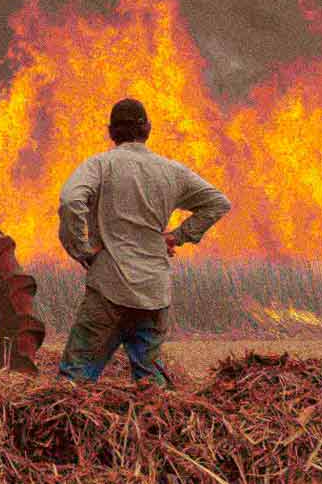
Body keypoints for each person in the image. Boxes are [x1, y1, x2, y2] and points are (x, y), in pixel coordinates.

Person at [57, 98, 231, 386]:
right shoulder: (171, 171)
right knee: (151, 389)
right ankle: (158, 429)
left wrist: (80, 249)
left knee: (74, 381)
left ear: (111, 132)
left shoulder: (100, 165)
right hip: (153, 292)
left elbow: (71, 200)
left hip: (109, 288)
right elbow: (218, 203)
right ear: (147, 129)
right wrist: (177, 236)